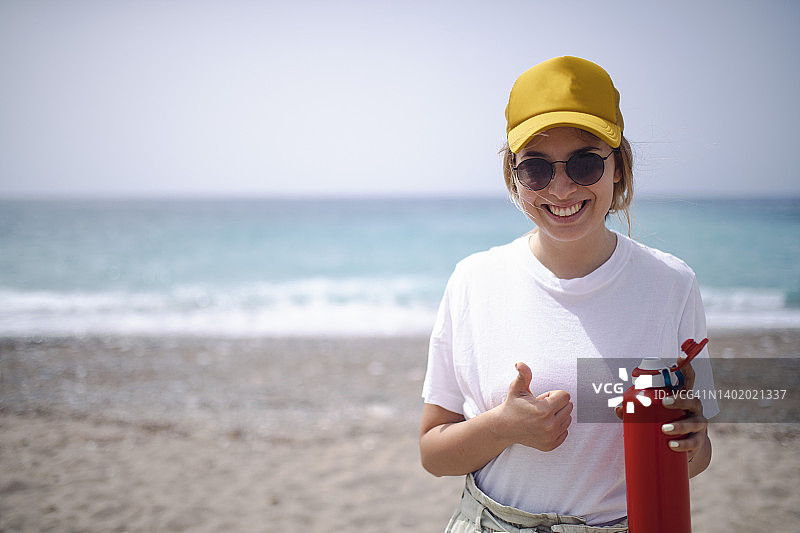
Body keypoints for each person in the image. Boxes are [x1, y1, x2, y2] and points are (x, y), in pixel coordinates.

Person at [419, 56, 719, 532]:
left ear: (617, 167)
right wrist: (502, 426)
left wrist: (692, 442)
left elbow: (695, 456)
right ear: (513, 176)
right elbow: (433, 453)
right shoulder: (472, 281)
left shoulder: (672, 284)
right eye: (536, 168)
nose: (561, 189)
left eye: (584, 163)